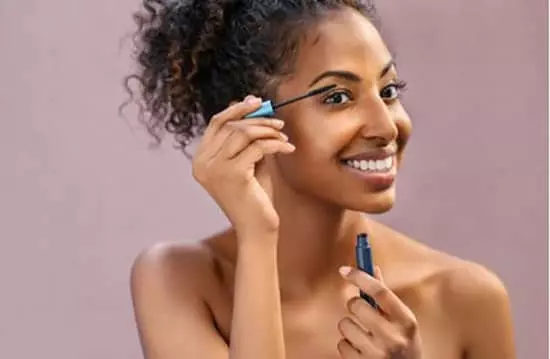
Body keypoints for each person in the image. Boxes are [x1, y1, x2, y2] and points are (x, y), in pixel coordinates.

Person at [125, 1, 516, 358]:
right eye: (337, 97)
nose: (385, 127)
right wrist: (258, 235)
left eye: (388, 90)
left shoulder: (466, 298)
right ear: (251, 120)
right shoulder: (178, 282)